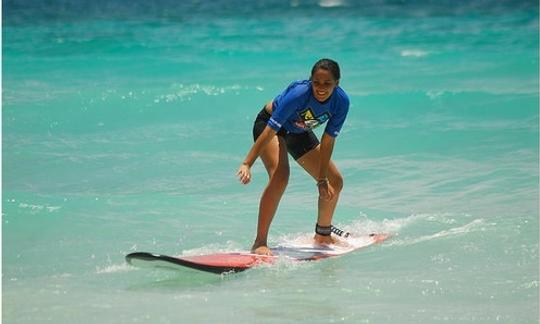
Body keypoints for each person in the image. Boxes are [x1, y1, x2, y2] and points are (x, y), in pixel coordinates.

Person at [236, 58, 350, 256]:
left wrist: (322, 179)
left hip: (298, 131)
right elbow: (271, 130)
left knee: (335, 181)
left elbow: (328, 141)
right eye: (316, 82)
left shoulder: (341, 102)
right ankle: (260, 242)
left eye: (327, 84)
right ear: (310, 80)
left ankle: (323, 234)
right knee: (280, 176)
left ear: (337, 83)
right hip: (270, 126)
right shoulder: (299, 93)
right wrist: (247, 163)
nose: (321, 88)